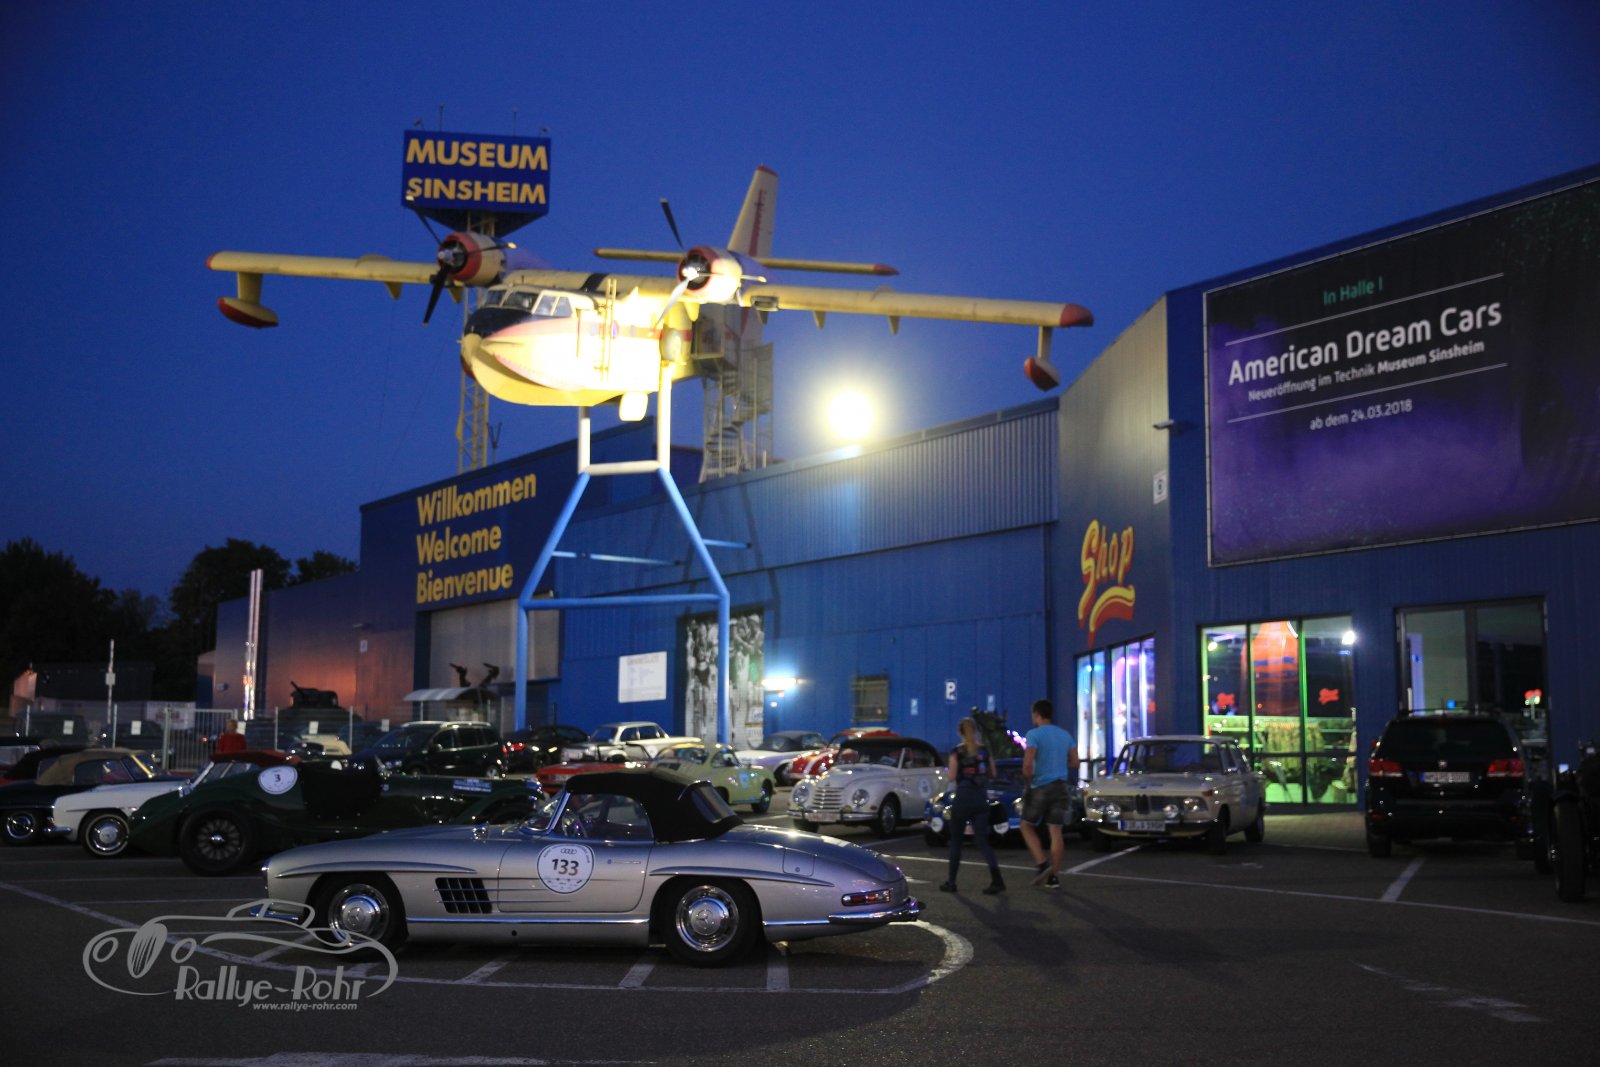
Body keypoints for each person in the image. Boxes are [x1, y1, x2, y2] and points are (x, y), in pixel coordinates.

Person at [940, 715, 1005, 895]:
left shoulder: (957, 752)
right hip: (980, 798)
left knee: (956, 841)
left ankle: (951, 882)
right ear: (975, 731)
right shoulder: (984, 751)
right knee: (982, 841)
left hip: (963, 798)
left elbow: (952, 777)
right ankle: (997, 880)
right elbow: (993, 773)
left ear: (960, 732)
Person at [1019, 698, 1079, 889]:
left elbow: (1028, 764)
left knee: (1026, 826)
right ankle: (1054, 877)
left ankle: (1042, 863)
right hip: (1062, 787)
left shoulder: (1033, 734)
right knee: (1056, 832)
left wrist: (1027, 782)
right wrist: (1059, 764)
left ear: (1037, 714)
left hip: (1041, 786)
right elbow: (1075, 762)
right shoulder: (1065, 735)